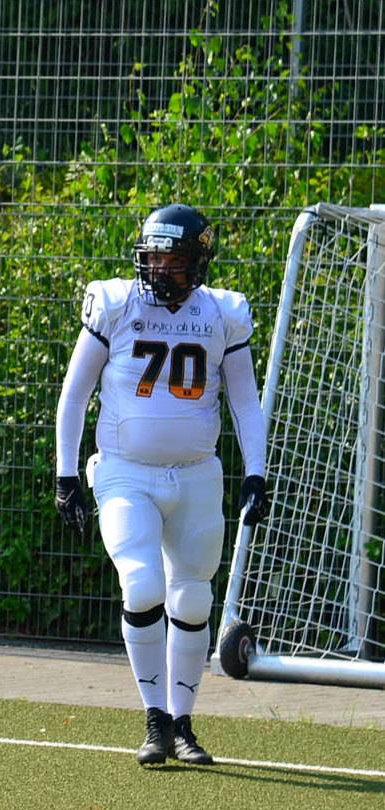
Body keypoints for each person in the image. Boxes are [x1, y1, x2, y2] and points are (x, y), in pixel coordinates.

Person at [54, 203, 270, 768]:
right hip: (127, 472)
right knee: (143, 585)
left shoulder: (221, 313)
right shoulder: (117, 304)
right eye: (153, 258)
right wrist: (66, 475)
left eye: (173, 259)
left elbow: (245, 402)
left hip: (197, 474)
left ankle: (182, 723)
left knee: (193, 597)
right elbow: (74, 395)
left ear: (198, 260)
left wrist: (256, 471)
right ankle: (154, 719)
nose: (160, 269)